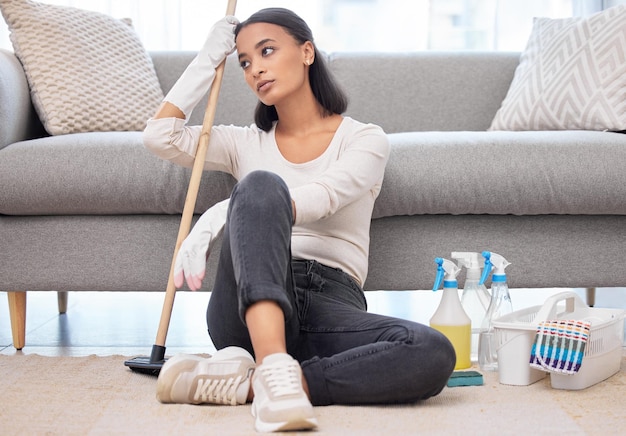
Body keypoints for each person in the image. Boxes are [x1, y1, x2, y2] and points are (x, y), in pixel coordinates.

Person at [143, 7, 455, 433]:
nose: (255, 70)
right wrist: (206, 59)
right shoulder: (243, 144)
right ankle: (272, 365)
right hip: (243, 313)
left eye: (267, 51)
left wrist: (223, 213)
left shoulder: (364, 139)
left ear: (307, 51)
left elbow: (325, 195)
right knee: (259, 186)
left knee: (432, 350)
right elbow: (160, 137)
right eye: (245, 62)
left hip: (329, 307)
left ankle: (262, 383)